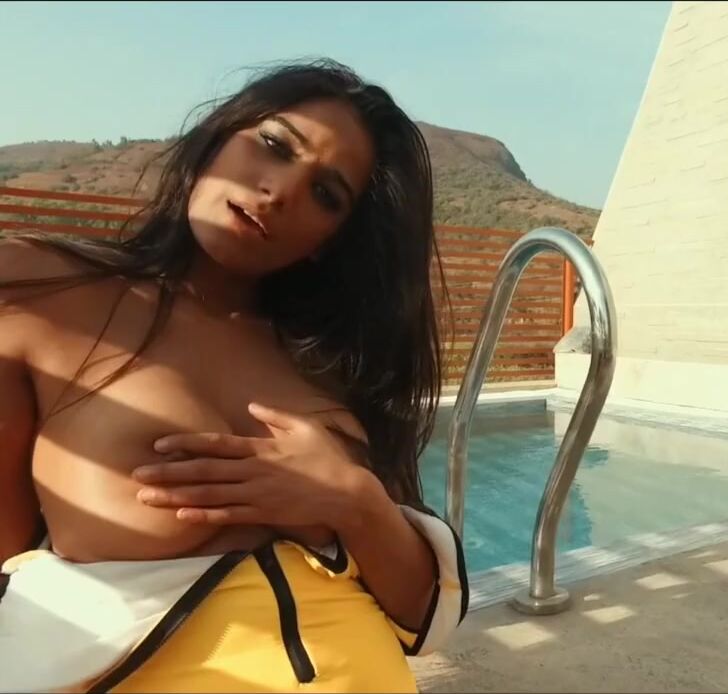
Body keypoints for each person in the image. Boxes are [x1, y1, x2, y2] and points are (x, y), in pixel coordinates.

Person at [0, 59, 468, 692]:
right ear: (219, 135)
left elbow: (424, 614)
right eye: (274, 145)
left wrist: (351, 499)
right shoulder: (39, 293)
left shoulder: (332, 367)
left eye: (326, 195)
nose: (279, 191)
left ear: (329, 240)